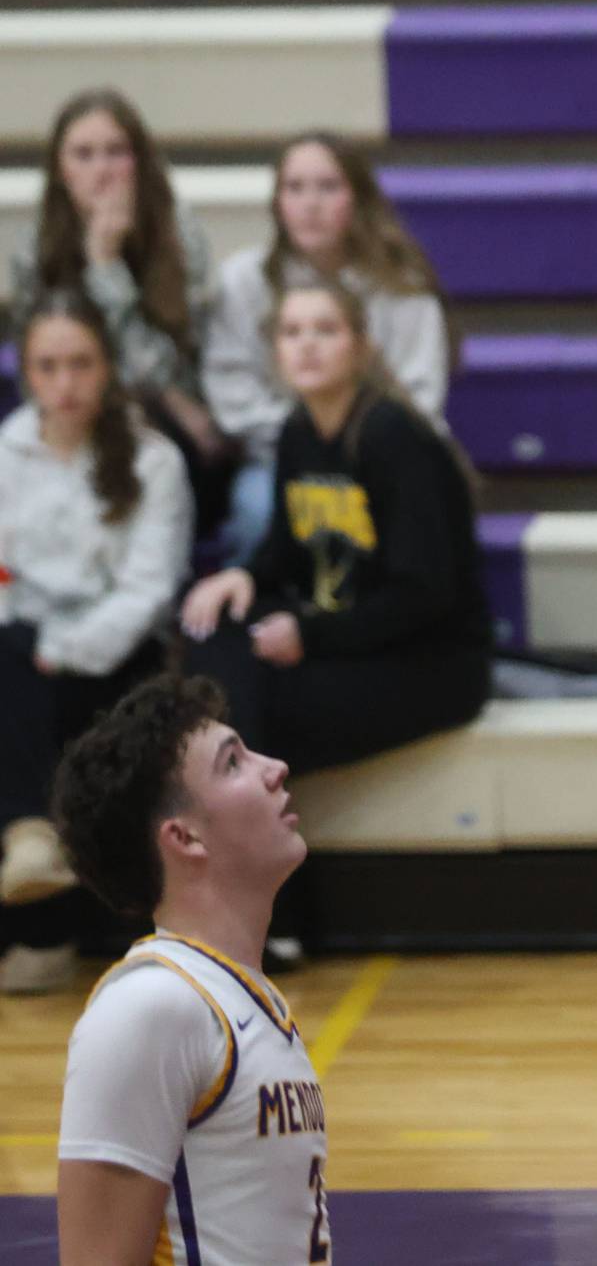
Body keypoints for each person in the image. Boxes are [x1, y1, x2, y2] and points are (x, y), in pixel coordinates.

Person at [50, 673, 330, 1265]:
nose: (274, 766)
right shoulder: (151, 1007)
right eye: (234, 763)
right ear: (184, 836)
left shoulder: (247, 999)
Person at [182, 278, 489, 780]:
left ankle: (246, 833)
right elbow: (286, 554)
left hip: (429, 660)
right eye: (291, 332)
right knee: (216, 630)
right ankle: (243, 822)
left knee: (254, 712)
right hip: (343, 637)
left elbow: (424, 595)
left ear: (361, 347)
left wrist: (310, 634)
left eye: (326, 330)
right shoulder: (297, 431)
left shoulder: (394, 437)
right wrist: (246, 578)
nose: (306, 344)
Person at [0, 291, 192, 994]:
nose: (65, 383)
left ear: (108, 368)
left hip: (116, 658)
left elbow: (147, 593)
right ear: (26, 372)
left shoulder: (152, 459)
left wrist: (63, 649)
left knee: (16, 677)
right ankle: (34, 878)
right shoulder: (8, 451)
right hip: (22, 649)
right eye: (47, 365)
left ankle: (39, 903)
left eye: (80, 363)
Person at [203, 131, 450, 562]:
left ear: (358, 199)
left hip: (385, 458)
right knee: (258, 512)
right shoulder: (243, 282)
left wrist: (355, 445)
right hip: (277, 456)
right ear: (278, 203)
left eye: (328, 187)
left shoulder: (404, 290)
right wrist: (309, 442)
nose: (310, 203)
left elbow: (421, 401)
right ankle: (256, 623)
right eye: (295, 188)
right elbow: (231, 392)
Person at [9, 88, 230, 526]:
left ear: (140, 162)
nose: (102, 171)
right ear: (60, 169)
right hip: (76, 419)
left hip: (172, 432)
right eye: (84, 155)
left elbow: (174, 376)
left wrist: (106, 266)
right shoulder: (36, 247)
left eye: (116, 152)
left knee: (147, 425)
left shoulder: (179, 234)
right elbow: (39, 375)